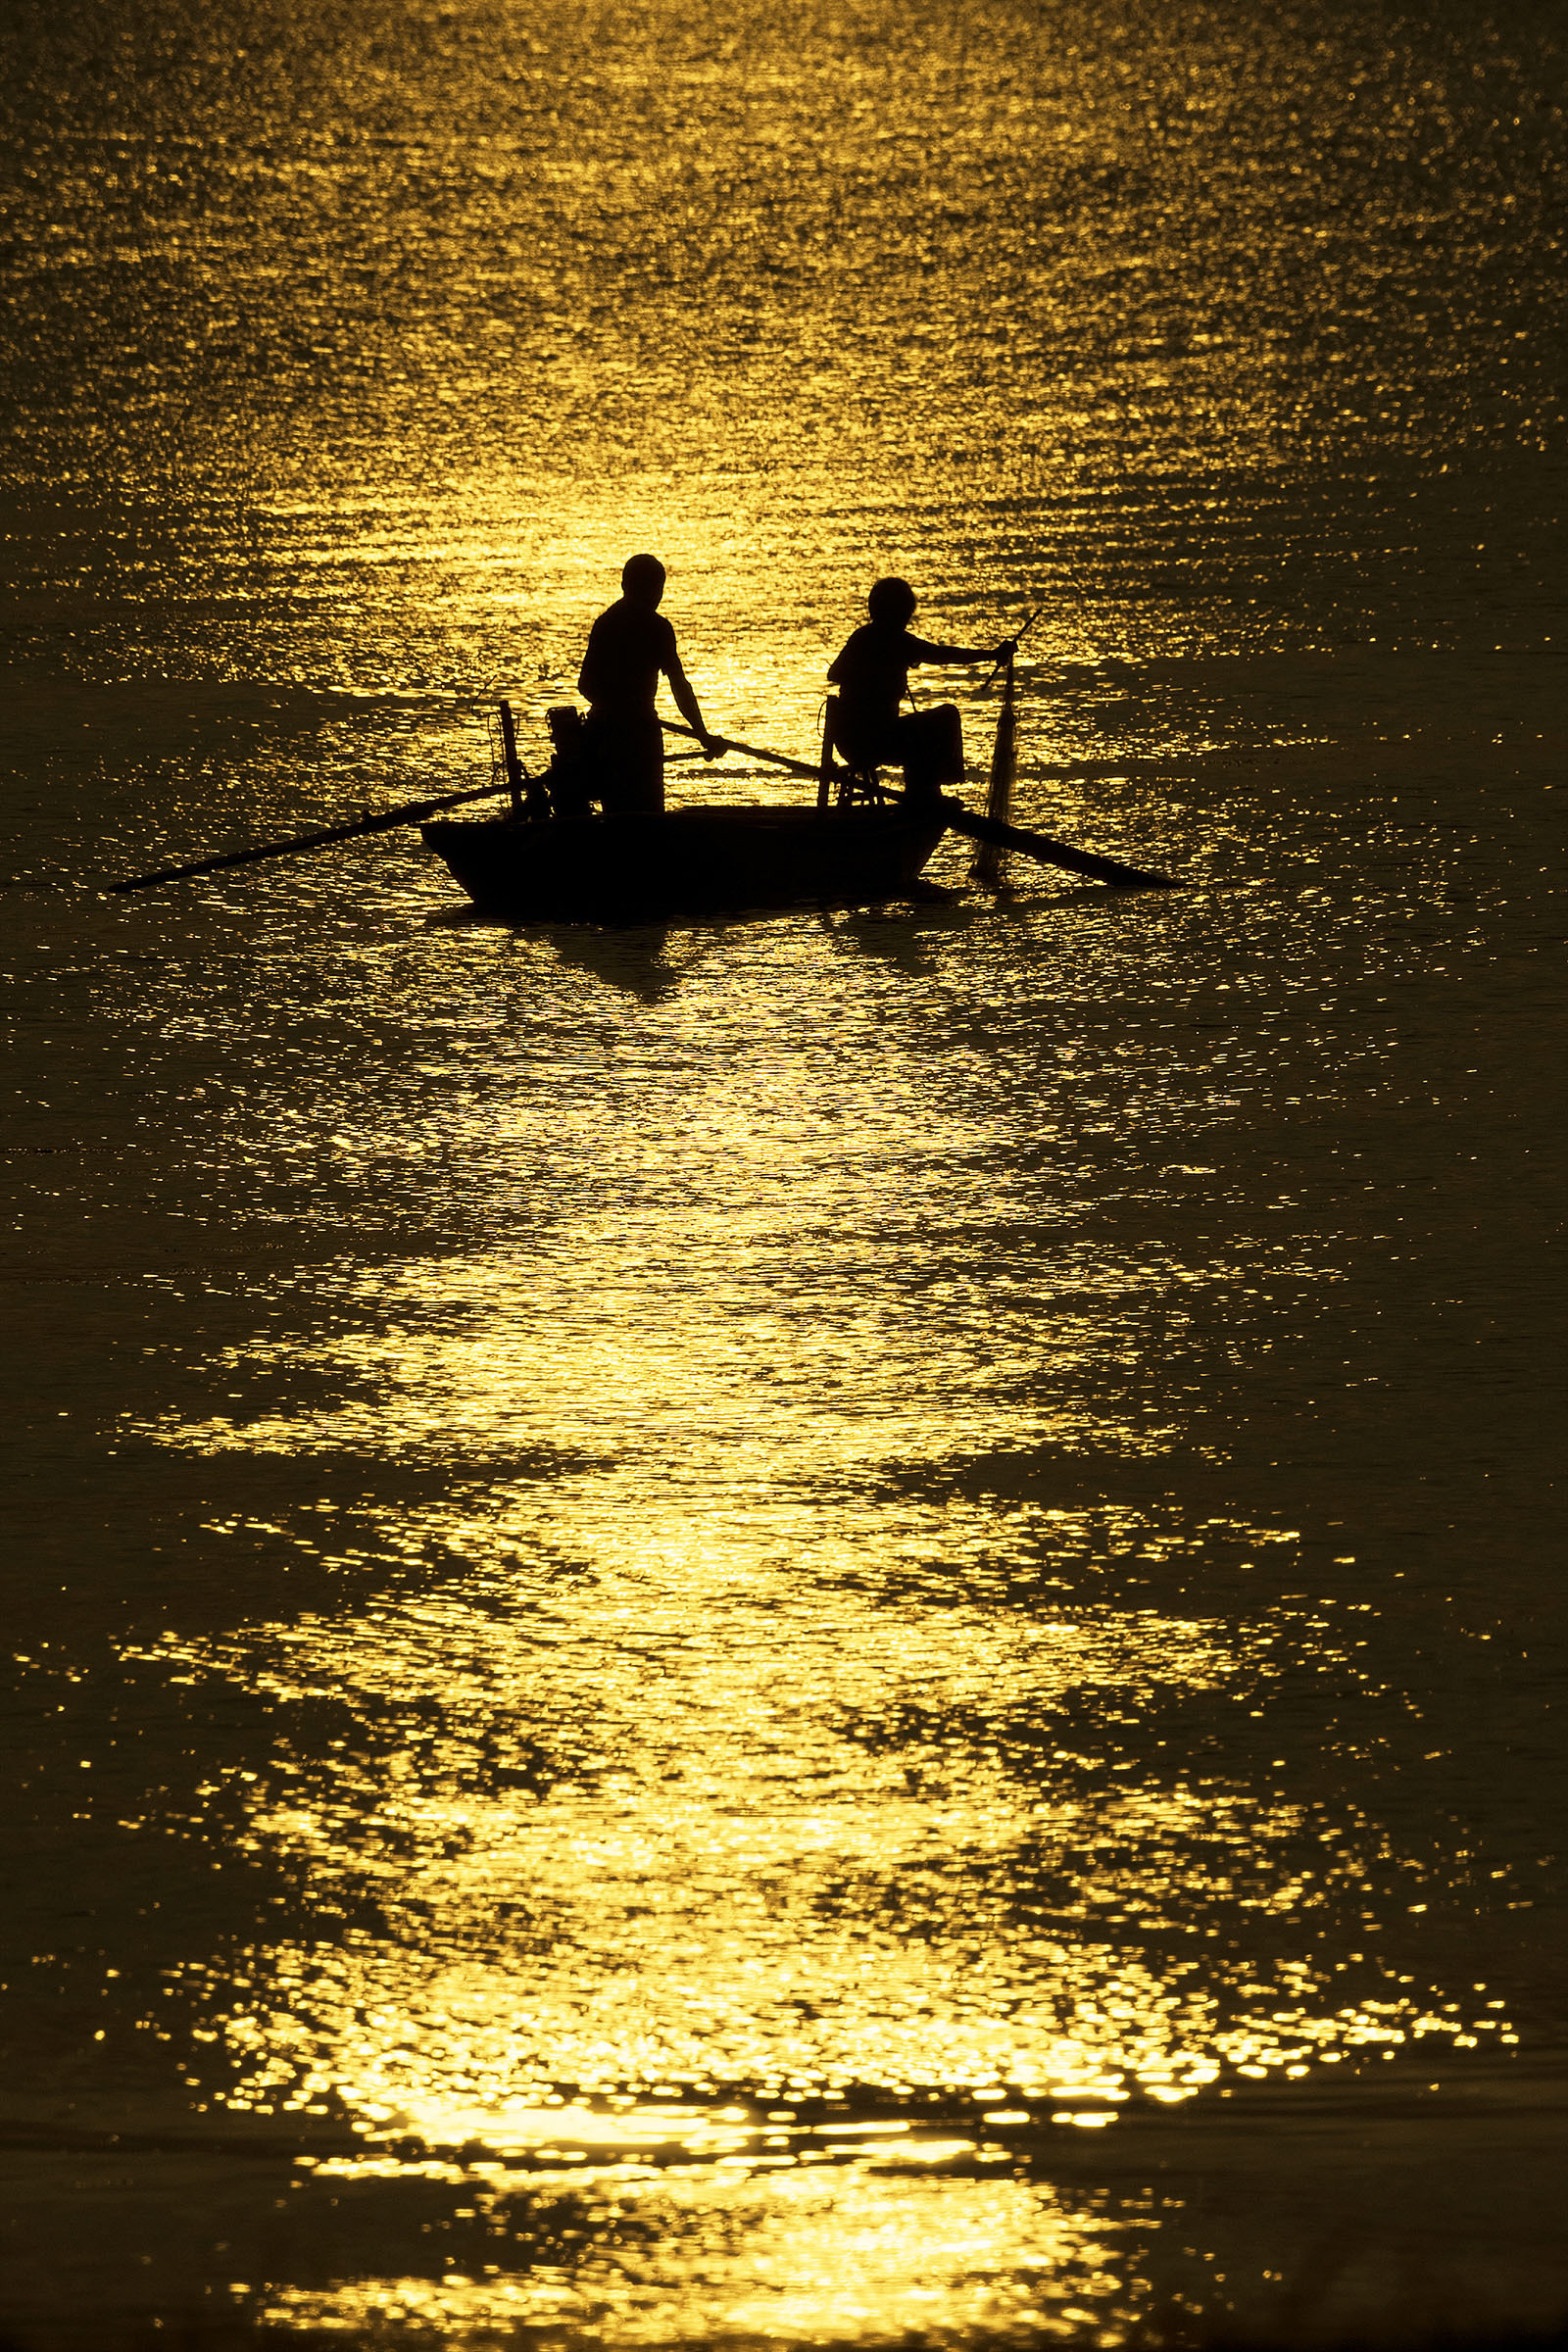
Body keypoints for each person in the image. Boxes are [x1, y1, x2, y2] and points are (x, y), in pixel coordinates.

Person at [827, 577, 1015, 797]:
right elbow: (944, 655)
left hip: (852, 740)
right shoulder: (893, 641)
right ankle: (925, 794)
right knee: (946, 718)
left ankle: (926, 791)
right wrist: (992, 654)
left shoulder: (863, 638)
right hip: (872, 740)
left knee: (922, 729)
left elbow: (835, 673)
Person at [576, 554, 724, 816]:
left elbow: (585, 685)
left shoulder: (606, 623)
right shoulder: (657, 628)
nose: (658, 597)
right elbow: (679, 686)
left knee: (619, 817)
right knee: (647, 818)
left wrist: (613, 709)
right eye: (655, 589)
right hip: (635, 738)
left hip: (610, 734)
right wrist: (701, 733)